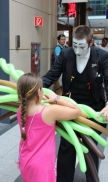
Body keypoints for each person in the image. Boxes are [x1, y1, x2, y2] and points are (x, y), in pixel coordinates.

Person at [42, 25, 108, 182]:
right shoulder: (65, 54)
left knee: (90, 148)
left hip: (93, 109)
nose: (77, 51)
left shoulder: (102, 56)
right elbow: (51, 76)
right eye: (75, 45)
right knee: (67, 146)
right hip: (68, 108)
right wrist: (35, 89)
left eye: (82, 46)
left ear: (91, 42)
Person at [16, 73, 81, 182]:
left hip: (25, 160)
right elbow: (77, 111)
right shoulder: (49, 111)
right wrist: (57, 98)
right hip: (42, 165)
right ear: (39, 92)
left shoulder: (20, 109)